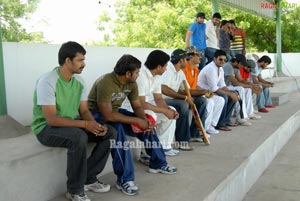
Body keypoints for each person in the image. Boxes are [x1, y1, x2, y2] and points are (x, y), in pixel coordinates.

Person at [31, 41, 116, 201]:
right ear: (68, 61)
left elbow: (83, 110)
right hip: (45, 129)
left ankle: (89, 178)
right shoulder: (47, 81)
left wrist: (95, 125)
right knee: (78, 137)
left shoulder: (79, 82)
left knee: (109, 132)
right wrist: (85, 125)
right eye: (80, 60)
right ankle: (75, 190)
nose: (84, 64)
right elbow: (51, 119)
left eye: (84, 60)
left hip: (69, 124)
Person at [88, 54, 177, 196]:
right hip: (96, 116)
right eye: (136, 72)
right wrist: (137, 121)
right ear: (128, 73)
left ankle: (158, 162)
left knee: (148, 124)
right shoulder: (106, 82)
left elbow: (137, 107)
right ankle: (124, 179)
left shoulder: (131, 83)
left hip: (115, 112)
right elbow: (108, 115)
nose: (138, 74)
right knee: (117, 131)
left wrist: (144, 121)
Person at [136, 50, 180, 156]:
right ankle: (147, 153)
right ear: (159, 67)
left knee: (172, 111)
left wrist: (168, 111)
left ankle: (164, 147)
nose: (166, 69)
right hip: (133, 108)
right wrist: (164, 110)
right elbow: (141, 104)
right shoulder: (141, 76)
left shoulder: (157, 76)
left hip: (147, 105)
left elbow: (159, 99)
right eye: (165, 66)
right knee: (151, 115)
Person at [161, 49, 207, 149]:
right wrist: (185, 98)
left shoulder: (180, 72)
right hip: (162, 100)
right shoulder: (168, 69)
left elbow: (187, 90)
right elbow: (164, 89)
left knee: (202, 101)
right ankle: (182, 141)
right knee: (183, 105)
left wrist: (203, 92)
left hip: (174, 98)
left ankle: (195, 135)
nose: (187, 61)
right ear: (181, 61)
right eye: (186, 59)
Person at [183, 46, 224, 135]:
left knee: (219, 99)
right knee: (209, 102)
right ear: (190, 56)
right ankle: (202, 129)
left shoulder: (196, 69)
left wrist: (206, 92)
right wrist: (203, 92)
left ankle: (210, 126)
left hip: (195, 94)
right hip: (188, 95)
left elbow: (196, 86)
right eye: (198, 55)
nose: (201, 57)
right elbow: (186, 89)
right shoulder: (184, 68)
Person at [198, 49, 239, 131]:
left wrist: (231, 93)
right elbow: (214, 88)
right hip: (203, 92)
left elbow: (222, 85)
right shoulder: (211, 68)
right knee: (224, 96)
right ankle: (219, 124)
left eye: (224, 60)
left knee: (234, 93)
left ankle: (225, 121)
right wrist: (229, 94)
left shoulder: (220, 69)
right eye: (220, 59)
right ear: (215, 59)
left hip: (211, 91)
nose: (223, 61)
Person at [222, 54, 262, 124]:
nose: (242, 67)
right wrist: (252, 86)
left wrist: (252, 85)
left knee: (247, 89)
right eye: (242, 65)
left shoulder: (236, 68)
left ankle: (250, 113)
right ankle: (240, 118)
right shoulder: (228, 66)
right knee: (240, 89)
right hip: (223, 87)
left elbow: (240, 80)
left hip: (229, 87)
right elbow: (235, 83)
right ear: (238, 62)